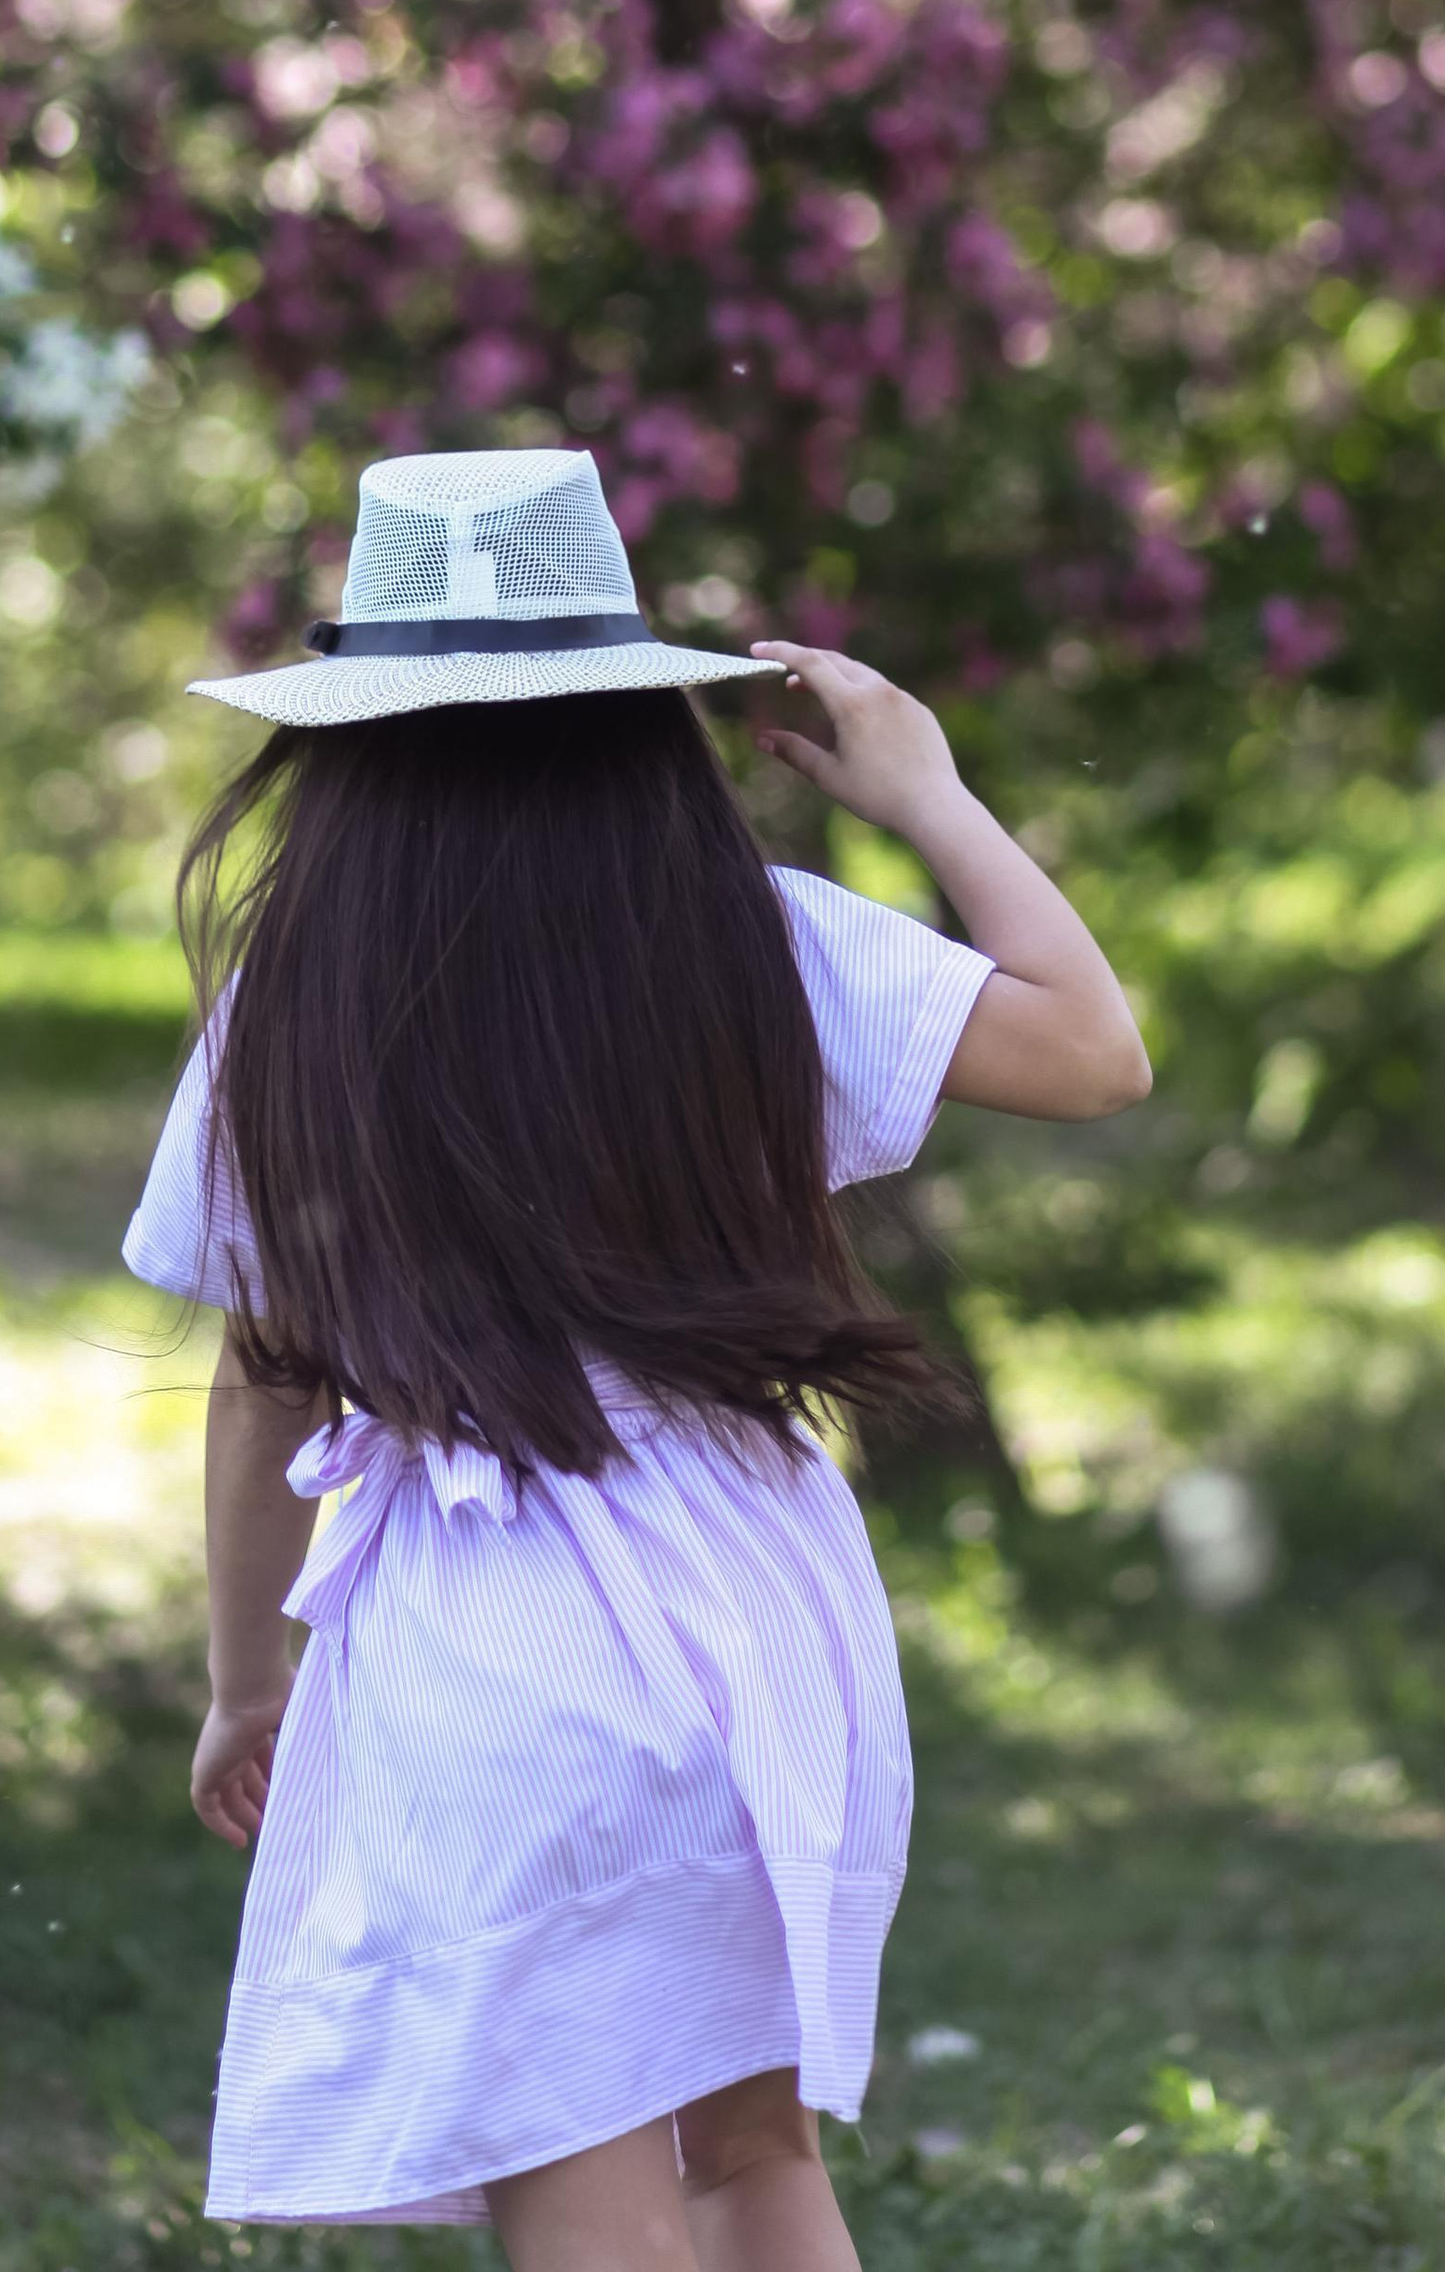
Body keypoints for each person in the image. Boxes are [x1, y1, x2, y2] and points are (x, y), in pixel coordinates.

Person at [123, 448, 1151, 2270]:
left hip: (491, 1636)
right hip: (759, 1608)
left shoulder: (289, 1007)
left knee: (582, 2172)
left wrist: (246, 1682)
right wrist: (931, 793)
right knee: (754, 2159)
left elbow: (267, 1365)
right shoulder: (755, 944)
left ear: (352, 741)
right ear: (630, 714)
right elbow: (1094, 1051)